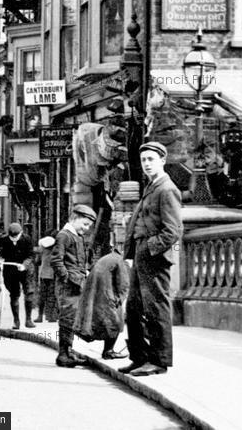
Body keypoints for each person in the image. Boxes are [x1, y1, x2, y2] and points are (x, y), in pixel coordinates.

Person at [120, 141, 182, 377]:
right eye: (143, 160)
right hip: (141, 255)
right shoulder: (152, 187)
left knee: (156, 308)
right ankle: (139, 357)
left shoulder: (166, 189)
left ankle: (159, 360)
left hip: (153, 257)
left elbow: (173, 230)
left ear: (162, 161)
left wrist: (148, 248)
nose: (146, 164)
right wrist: (130, 254)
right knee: (134, 308)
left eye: (151, 160)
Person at [51, 204, 96, 367]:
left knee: (72, 319)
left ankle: (68, 352)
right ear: (74, 219)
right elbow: (56, 260)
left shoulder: (76, 236)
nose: (86, 228)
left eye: (89, 226)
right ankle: (63, 355)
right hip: (68, 286)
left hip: (77, 284)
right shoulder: (64, 235)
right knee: (67, 318)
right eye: (84, 224)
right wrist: (67, 278)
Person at [74, 232, 129, 360]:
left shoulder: (108, 257)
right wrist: (120, 300)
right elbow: (124, 284)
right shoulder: (120, 260)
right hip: (107, 296)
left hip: (97, 296)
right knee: (116, 323)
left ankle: (107, 350)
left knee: (105, 323)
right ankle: (108, 351)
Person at [0, 222, 35, 329]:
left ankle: (28, 320)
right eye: (12, 237)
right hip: (10, 269)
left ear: (21, 233)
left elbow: (30, 255)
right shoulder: (4, 239)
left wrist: (24, 265)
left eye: (16, 237)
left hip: (25, 269)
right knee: (14, 294)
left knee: (29, 292)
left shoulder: (27, 239)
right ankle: (16, 321)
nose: (14, 239)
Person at [34, 231, 58, 323]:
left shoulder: (42, 248)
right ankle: (51, 316)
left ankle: (40, 316)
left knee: (42, 295)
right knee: (52, 295)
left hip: (43, 274)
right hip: (53, 275)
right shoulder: (57, 249)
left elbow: (37, 261)